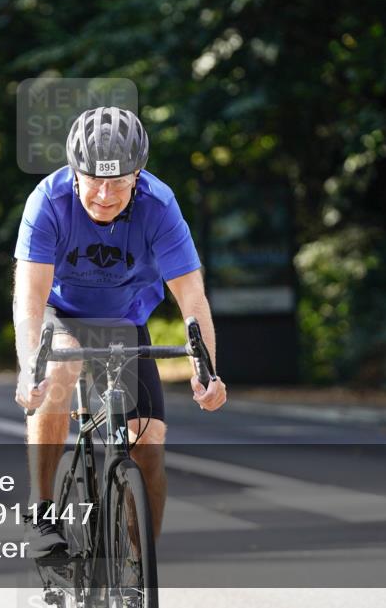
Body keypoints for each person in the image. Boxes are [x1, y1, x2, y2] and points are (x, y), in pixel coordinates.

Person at [13, 106, 228, 558]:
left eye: (120, 181)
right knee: (59, 371)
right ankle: (43, 509)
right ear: (75, 172)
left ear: (139, 174)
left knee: (148, 445)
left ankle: (137, 564)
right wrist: (29, 369)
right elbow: (29, 300)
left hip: (125, 321)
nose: (106, 195)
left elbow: (192, 299)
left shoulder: (159, 206)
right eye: (94, 180)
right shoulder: (48, 202)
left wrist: (205, 369)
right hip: (61, 313)